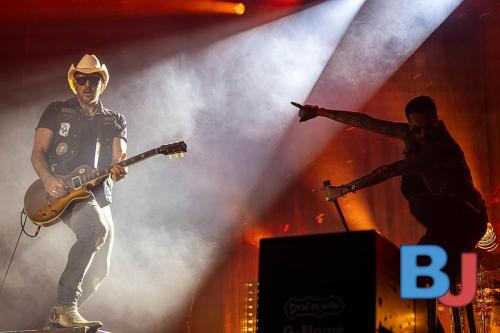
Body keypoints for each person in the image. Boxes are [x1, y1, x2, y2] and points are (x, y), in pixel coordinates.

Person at [293, 96, 488, 328]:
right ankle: (428, 323)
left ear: (437, 121)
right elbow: (367, 122)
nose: (423, 135)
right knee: (413, 272)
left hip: (467, 218)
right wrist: (320, 112)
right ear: (410, 125)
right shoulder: (409, 134)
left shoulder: (442, 150)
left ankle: (436, 300)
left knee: (418, 226)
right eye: (417, 130)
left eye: (428, 128)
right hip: (442, 218)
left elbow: (389, 170)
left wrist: (346, 188)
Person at [31, 54, 127, 329]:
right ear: (74, 82)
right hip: (63, 191)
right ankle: (64, 306)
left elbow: (120, 155)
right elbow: (37, 152)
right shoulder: (57, 110)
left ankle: (60, 322)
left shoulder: (114, 120)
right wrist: (48, 178)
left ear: (102, 84)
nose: (87, 85)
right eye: (81, 79)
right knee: (96, 230)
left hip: (97, 194)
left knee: (101, 269)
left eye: (93, 80)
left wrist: (120, 169)